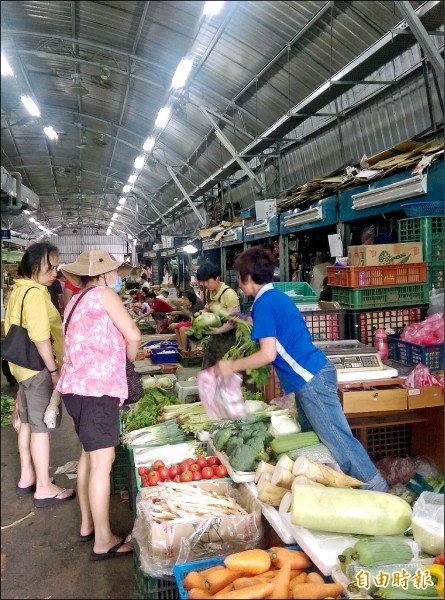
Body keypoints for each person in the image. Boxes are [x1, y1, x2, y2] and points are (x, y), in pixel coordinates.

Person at [215, 247, 388, 492]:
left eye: (239, 278)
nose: (239, 285)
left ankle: (377, 489)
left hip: (310, 378)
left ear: (248, 277)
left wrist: (230, 366)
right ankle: (323, 488)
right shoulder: (276, 298)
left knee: (338, 440)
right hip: (311, 376)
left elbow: (268, 353)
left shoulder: (265, 303)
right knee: (313, 438)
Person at [57, 250, 141, 560]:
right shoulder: (105, 294)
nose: (118, 277)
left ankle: (87, 524)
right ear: (104, 274)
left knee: (89, 457)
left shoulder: (76, 301)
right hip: (97, 390)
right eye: (115, 272)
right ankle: (103, 540)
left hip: (76, 391)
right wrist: (126, 363)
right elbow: (133, 335)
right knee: (103, 464)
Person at [4, 242, 76, 505]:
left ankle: (27, 476)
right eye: (51, 266)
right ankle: (44, 486)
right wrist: (54, 370)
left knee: (26, 422)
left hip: (21, 368)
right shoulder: (35, 293)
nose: (55, 272)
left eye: (57, 267)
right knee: (41, 428)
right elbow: (39, 336)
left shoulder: (19, 289)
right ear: (35, 265)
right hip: (37, 367)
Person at [196, 262, 240, 369]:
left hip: (229, 339)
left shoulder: (229, 294)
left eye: (207, 281)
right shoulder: (209, 291)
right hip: (215, 338)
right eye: (203, 281)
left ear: (217, 278)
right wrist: (201, 313)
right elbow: (209, 305)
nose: (205, 284)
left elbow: (234, 320)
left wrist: (218, 330)